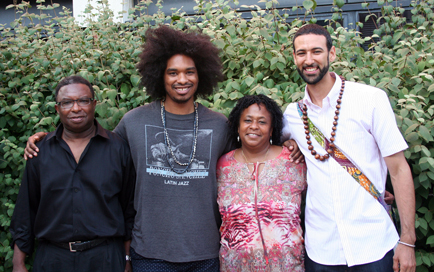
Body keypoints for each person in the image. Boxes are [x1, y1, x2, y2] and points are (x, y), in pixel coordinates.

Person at [23, 25, 303, 271]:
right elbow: (96, 146)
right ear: (160, 75)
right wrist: (48, 139)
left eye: (189, 72)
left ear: (201, 75)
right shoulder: (134, 121)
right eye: (173, 72)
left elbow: (250, 151)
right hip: (150, 253)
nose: (182, 79)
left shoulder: (218, 124)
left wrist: (288, 141)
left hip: (205, 252)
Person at [282, 24, 416, 272]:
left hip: (374, 245)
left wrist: (407, 240)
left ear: (331, 54)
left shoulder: (370, 99)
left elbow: (398, 170)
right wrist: (290, 143)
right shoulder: (292, 115)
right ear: (294, 58)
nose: (309, 59)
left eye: (316, 51)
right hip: (322, 251)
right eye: (301, 53)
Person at [10, 76, 136, 272]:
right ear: (57, 109)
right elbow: (26, 210)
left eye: (83, 100)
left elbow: (129, 208)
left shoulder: (118, 149)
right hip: (53, 259)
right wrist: (18, 263)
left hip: (105, 258)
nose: (76, 108)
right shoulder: (40, 151)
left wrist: (127, 258)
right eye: (67, 102)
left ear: (94, 104)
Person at [217, 95, 307, 271]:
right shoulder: (221, 166)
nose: (254, 127)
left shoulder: (294, 161)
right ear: (237, 126)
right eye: (247, 120)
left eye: (262, 122)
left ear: (272, 129)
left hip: (288, 266)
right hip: (234, 266)